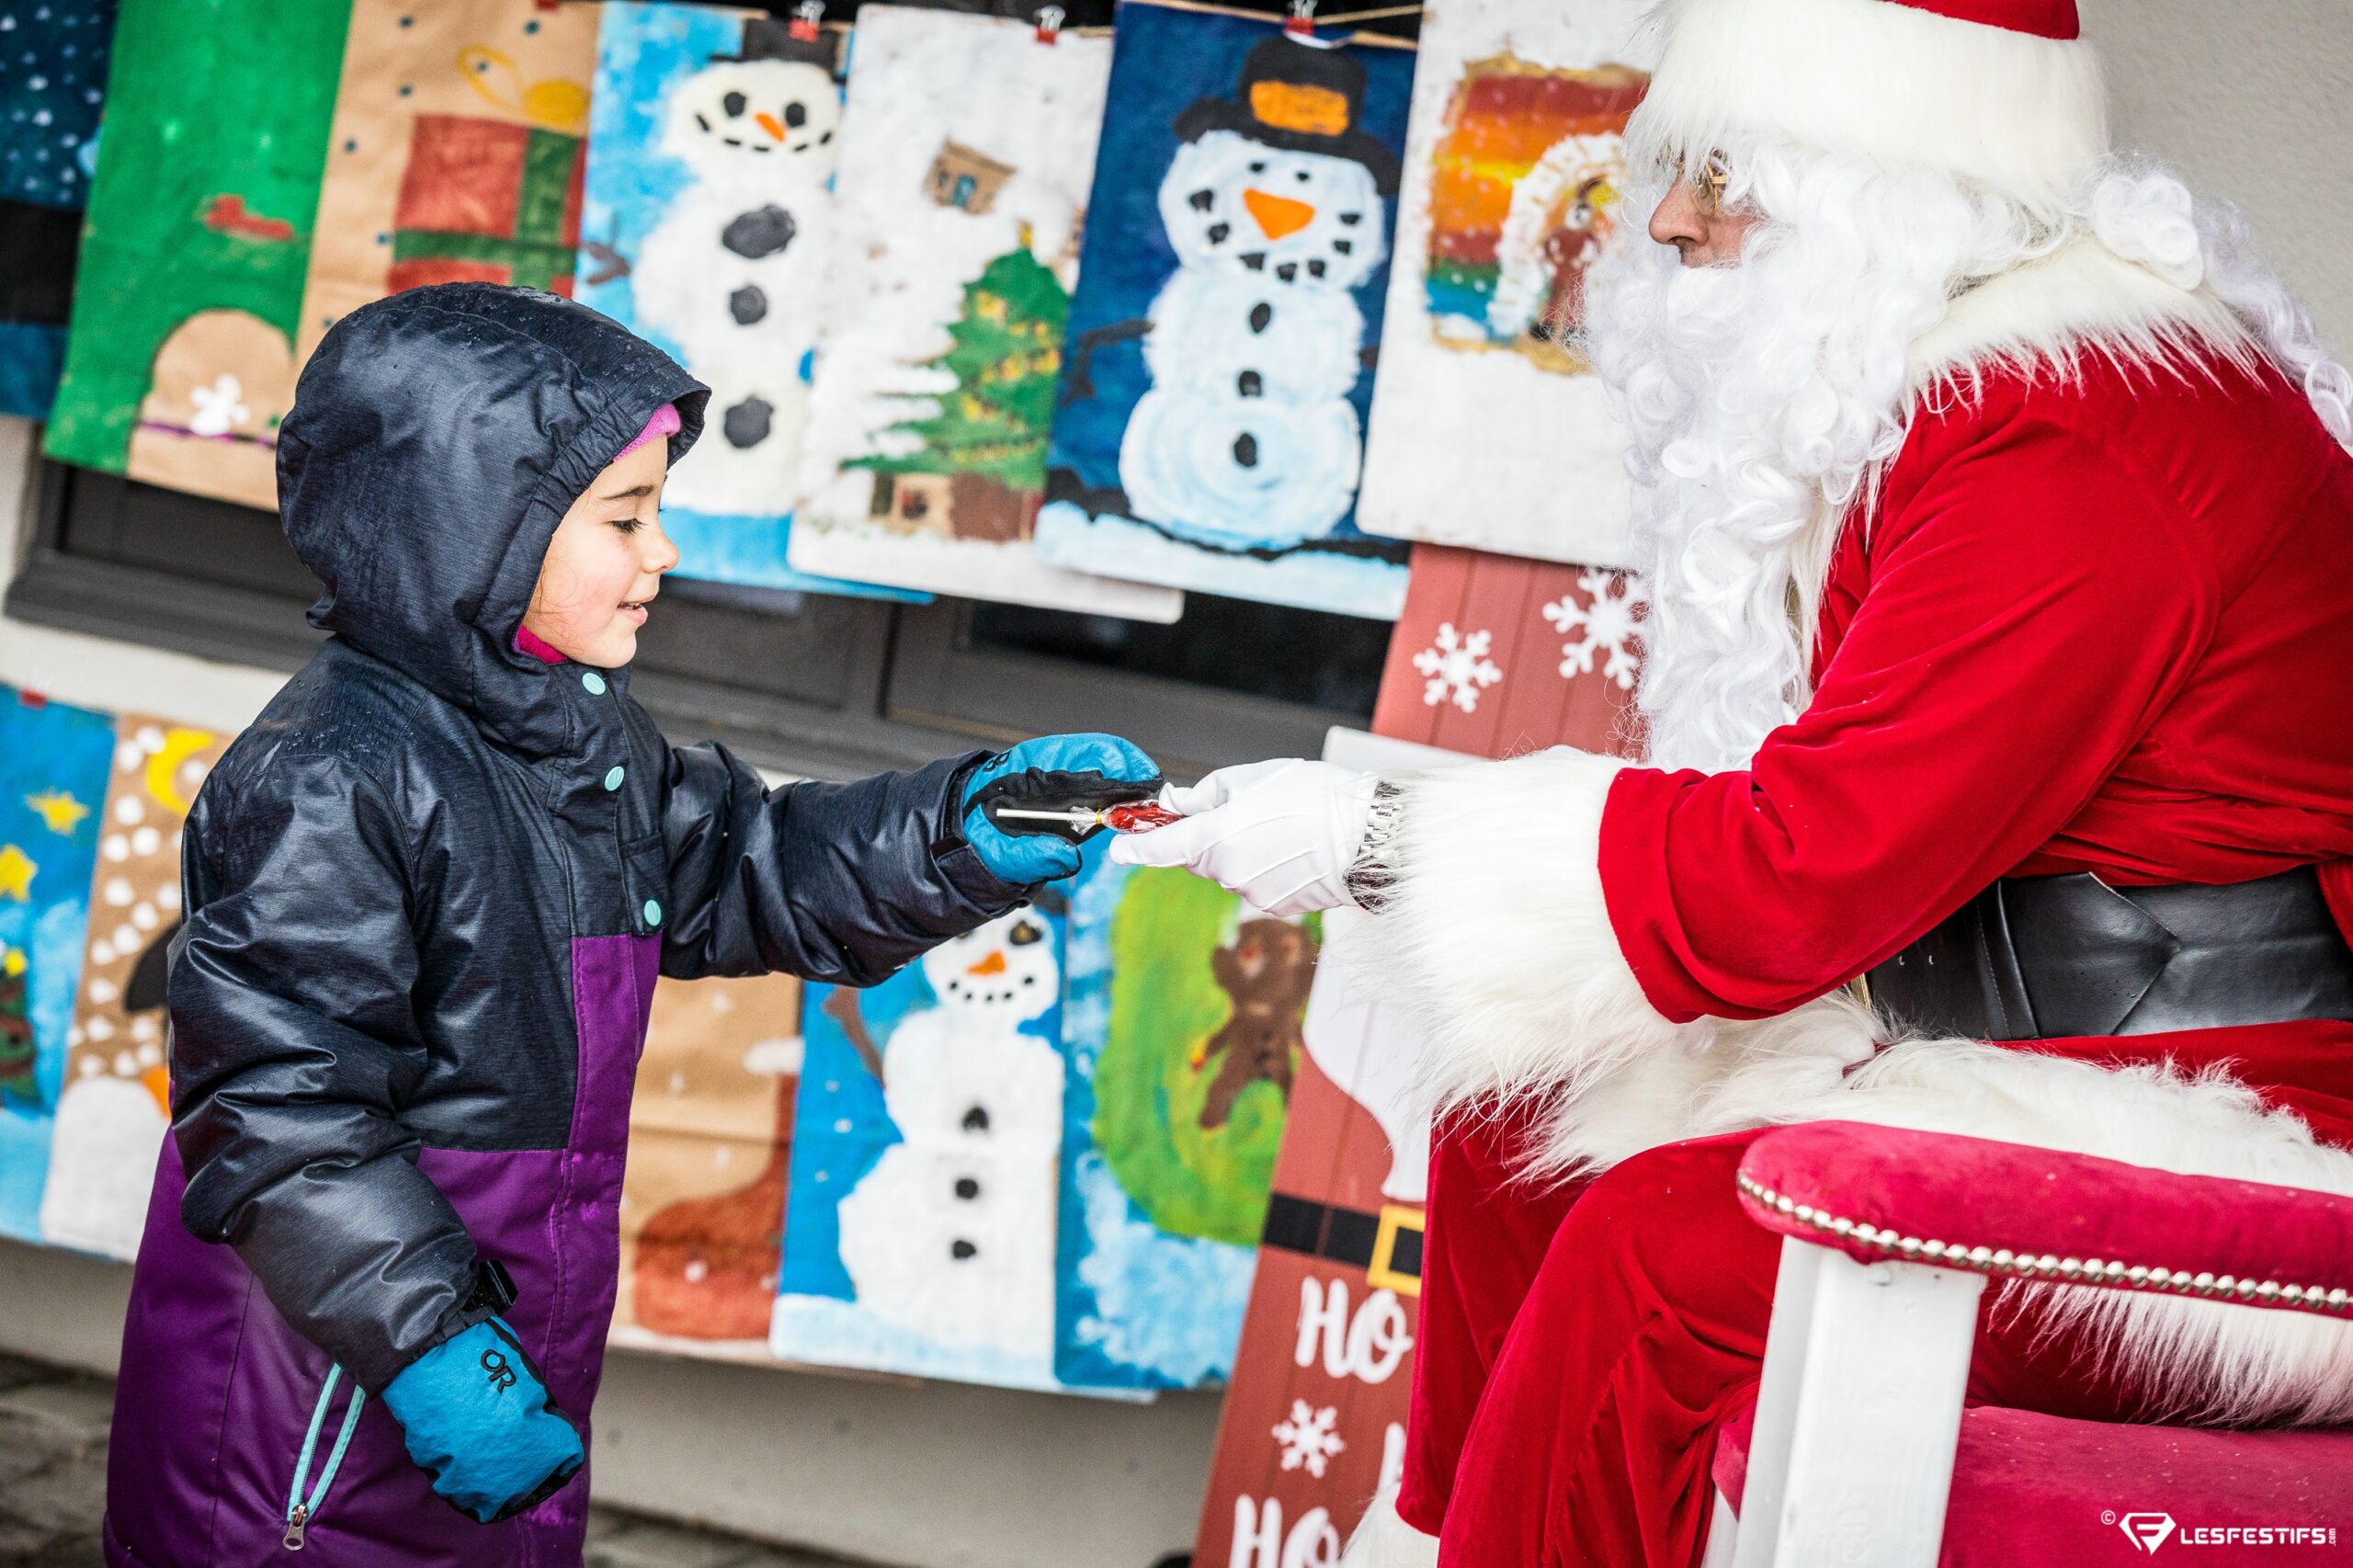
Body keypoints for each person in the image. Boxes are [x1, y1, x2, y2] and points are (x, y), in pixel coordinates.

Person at [1118, 0, 2353, 1562]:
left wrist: (1376, 837)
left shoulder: (2075, 427)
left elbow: (1809, 864)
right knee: (1514, 1131)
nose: (1675, 221)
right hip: (1998, 1041)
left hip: (2235, 1133)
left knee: (1668, 1257)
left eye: (1725, 171)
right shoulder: (1960, 396)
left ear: (1882, 177)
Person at [102, 282, 1157, 1567]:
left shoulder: (578, 737)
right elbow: (277, 1107)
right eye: (626, 517)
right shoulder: (332, 775)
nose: (663, 552)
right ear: (471, 527)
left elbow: (746, 863)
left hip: (503, 1341)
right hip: (321, 1403)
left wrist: (955, 827)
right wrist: (432, 1345)